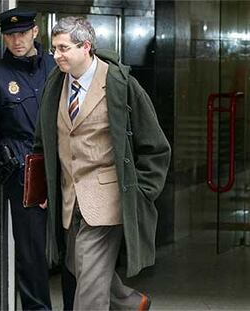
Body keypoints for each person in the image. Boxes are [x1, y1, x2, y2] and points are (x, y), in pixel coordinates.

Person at [34, 16, 171, 310]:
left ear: (85, 47)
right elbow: (42, 140)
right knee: (76, 263)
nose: (56, 55)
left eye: (63, 48)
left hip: (108, 201)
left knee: (90, 294)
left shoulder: (121, 84)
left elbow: (156, 146)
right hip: (69, 200)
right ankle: (130, 303)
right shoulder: (55, 85)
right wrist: (42, 186)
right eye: (54, 48)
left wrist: (141, 192)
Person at [0, 7, 55, 310]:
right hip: (24, 172)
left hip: (62, 167)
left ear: (35, 32)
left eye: (22, 33)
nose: (17, 40)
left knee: (76, 247)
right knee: (31, 253)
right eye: (10, 35)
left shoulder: (55, 66)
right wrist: (6, 162)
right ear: (3, 38)